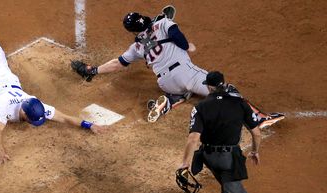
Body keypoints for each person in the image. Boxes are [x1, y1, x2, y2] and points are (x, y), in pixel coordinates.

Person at [70, 10, 284, 128]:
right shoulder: (163, 23)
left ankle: (169, 101)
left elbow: (118, 63)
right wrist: (187, 45)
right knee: (225, 89)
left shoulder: (136, 46)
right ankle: (259, 118)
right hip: (186, 72)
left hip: (164, 81)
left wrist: (94, 70)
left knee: (185, 92)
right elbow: (179, 39)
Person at [0, 34, 106, 164]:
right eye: (32, 119)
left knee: (1, 61)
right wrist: (1, 152)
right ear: (24, 112)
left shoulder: (38, 106)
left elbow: (64, 118)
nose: (33, 122)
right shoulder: (6, 110)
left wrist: (88, 125)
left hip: (10, 81)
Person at [178, 71, 261, 193]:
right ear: (224, 83)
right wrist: (254, 151)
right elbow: (256, 133)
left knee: (231, 182)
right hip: (228, 159)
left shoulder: (200, 107)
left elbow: (193, 139)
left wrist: (184, 164)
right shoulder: (240, 103)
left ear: (209, 86)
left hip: (207, 157)